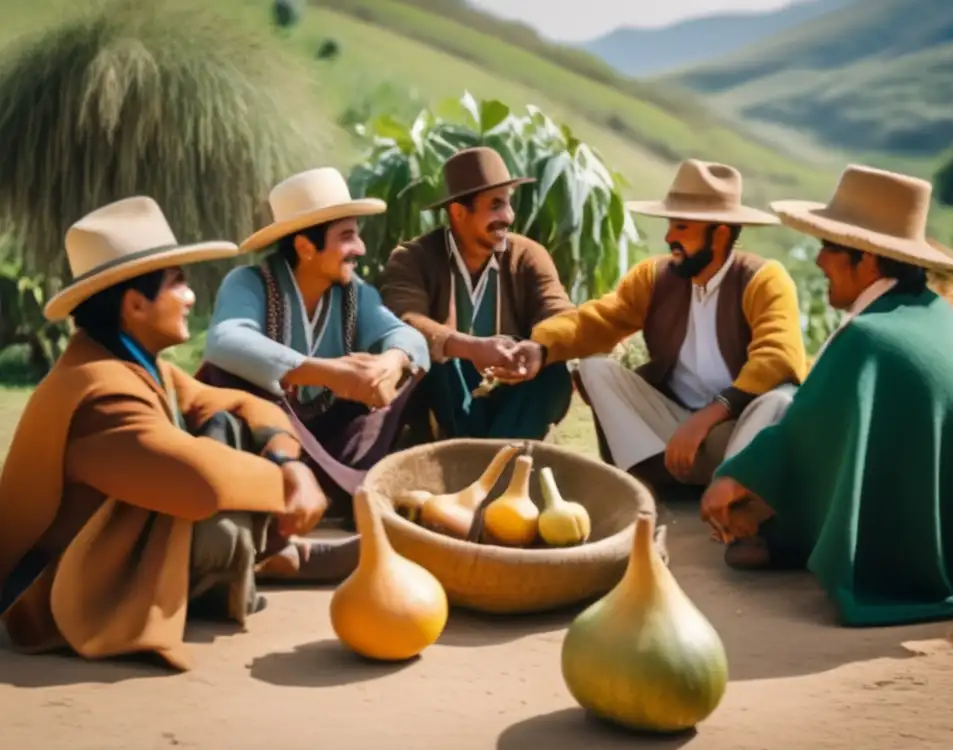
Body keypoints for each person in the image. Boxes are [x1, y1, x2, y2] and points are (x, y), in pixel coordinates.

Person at [0, 197, 356, 672]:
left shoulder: (134, 365)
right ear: (134, 304)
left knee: (227, 423)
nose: (191, 296)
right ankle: (264, 562)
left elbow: (243, 403)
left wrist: (287, 460)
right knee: (219, 507)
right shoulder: (101, 393)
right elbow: (200, 483)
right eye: (178, 282)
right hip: (67, 594)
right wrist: (291, 483)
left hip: (111, 555)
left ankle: (262, 560)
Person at [700, 164, 953, 626]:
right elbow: (843, 430)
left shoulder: (872, 337)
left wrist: (733, 480)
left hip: (949, 551)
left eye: (829, 248)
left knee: (758, 522)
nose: (818, 262)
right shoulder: (931, 314)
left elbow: (805, 434)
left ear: (868, 260)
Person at [512, 159, 807, 490]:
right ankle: (646, 485)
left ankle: (736, 500)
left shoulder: (763, 279)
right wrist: (541, 346)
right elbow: (600, 320)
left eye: (681, 227)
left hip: (736, 432)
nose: (669, 237)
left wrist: (711, 415)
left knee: (780, 401)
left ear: (720, 234)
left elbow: (778, 358)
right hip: (671, 428)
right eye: (670, 225)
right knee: (596, 369)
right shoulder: (655, 277)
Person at [197, 168, 430, 521]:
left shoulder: (355, 295)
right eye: (347, 236)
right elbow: (225, 342)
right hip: (271, 445)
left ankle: (347, 487)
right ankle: (303, 492)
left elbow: (410, 338)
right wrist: (328, 373)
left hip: (333, 440)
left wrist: (391, 362)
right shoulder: (248, 283)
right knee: (227, 373)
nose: (360, 249)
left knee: (406, 375)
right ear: (306, 247)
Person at [380, 147, 575, 441]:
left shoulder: (528, 255)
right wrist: (470, 348)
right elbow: (404, 319)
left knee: (554, 368)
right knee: (437, 361)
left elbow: (559, 312)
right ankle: (494, 456)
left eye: (509, 204)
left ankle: (490, 456)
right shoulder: (413, 258)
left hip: (513, 391)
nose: (508, 217)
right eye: (495, 205)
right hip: (446, 395)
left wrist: (538, 351)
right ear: (458, 212)